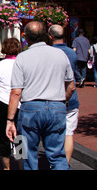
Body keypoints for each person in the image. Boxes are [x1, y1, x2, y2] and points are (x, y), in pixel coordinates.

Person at [6, 21, 75, 170]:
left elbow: (16, 92)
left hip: (30, 107)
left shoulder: (23, 57)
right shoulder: (60, 55)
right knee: (57, 154)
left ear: (26, 37)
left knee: (26, 153)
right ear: (45, 36)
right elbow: (71, 87)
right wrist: (63, 101)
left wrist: (10, 119)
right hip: (57, 106)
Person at [49, 24, 80, 165]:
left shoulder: (49, 53)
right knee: (69, 133)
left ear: (50, 36)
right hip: (71, 98)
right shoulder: (72, 53)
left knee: (54, 133)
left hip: (54, 97)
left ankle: (54, 162)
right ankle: (65, 163)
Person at [0, 38, 21, 170]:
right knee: (20, 136)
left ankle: (6, 168)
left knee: (3, 136)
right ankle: (21, 166)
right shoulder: (22, 64)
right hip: (20, 103)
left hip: (3, 103)